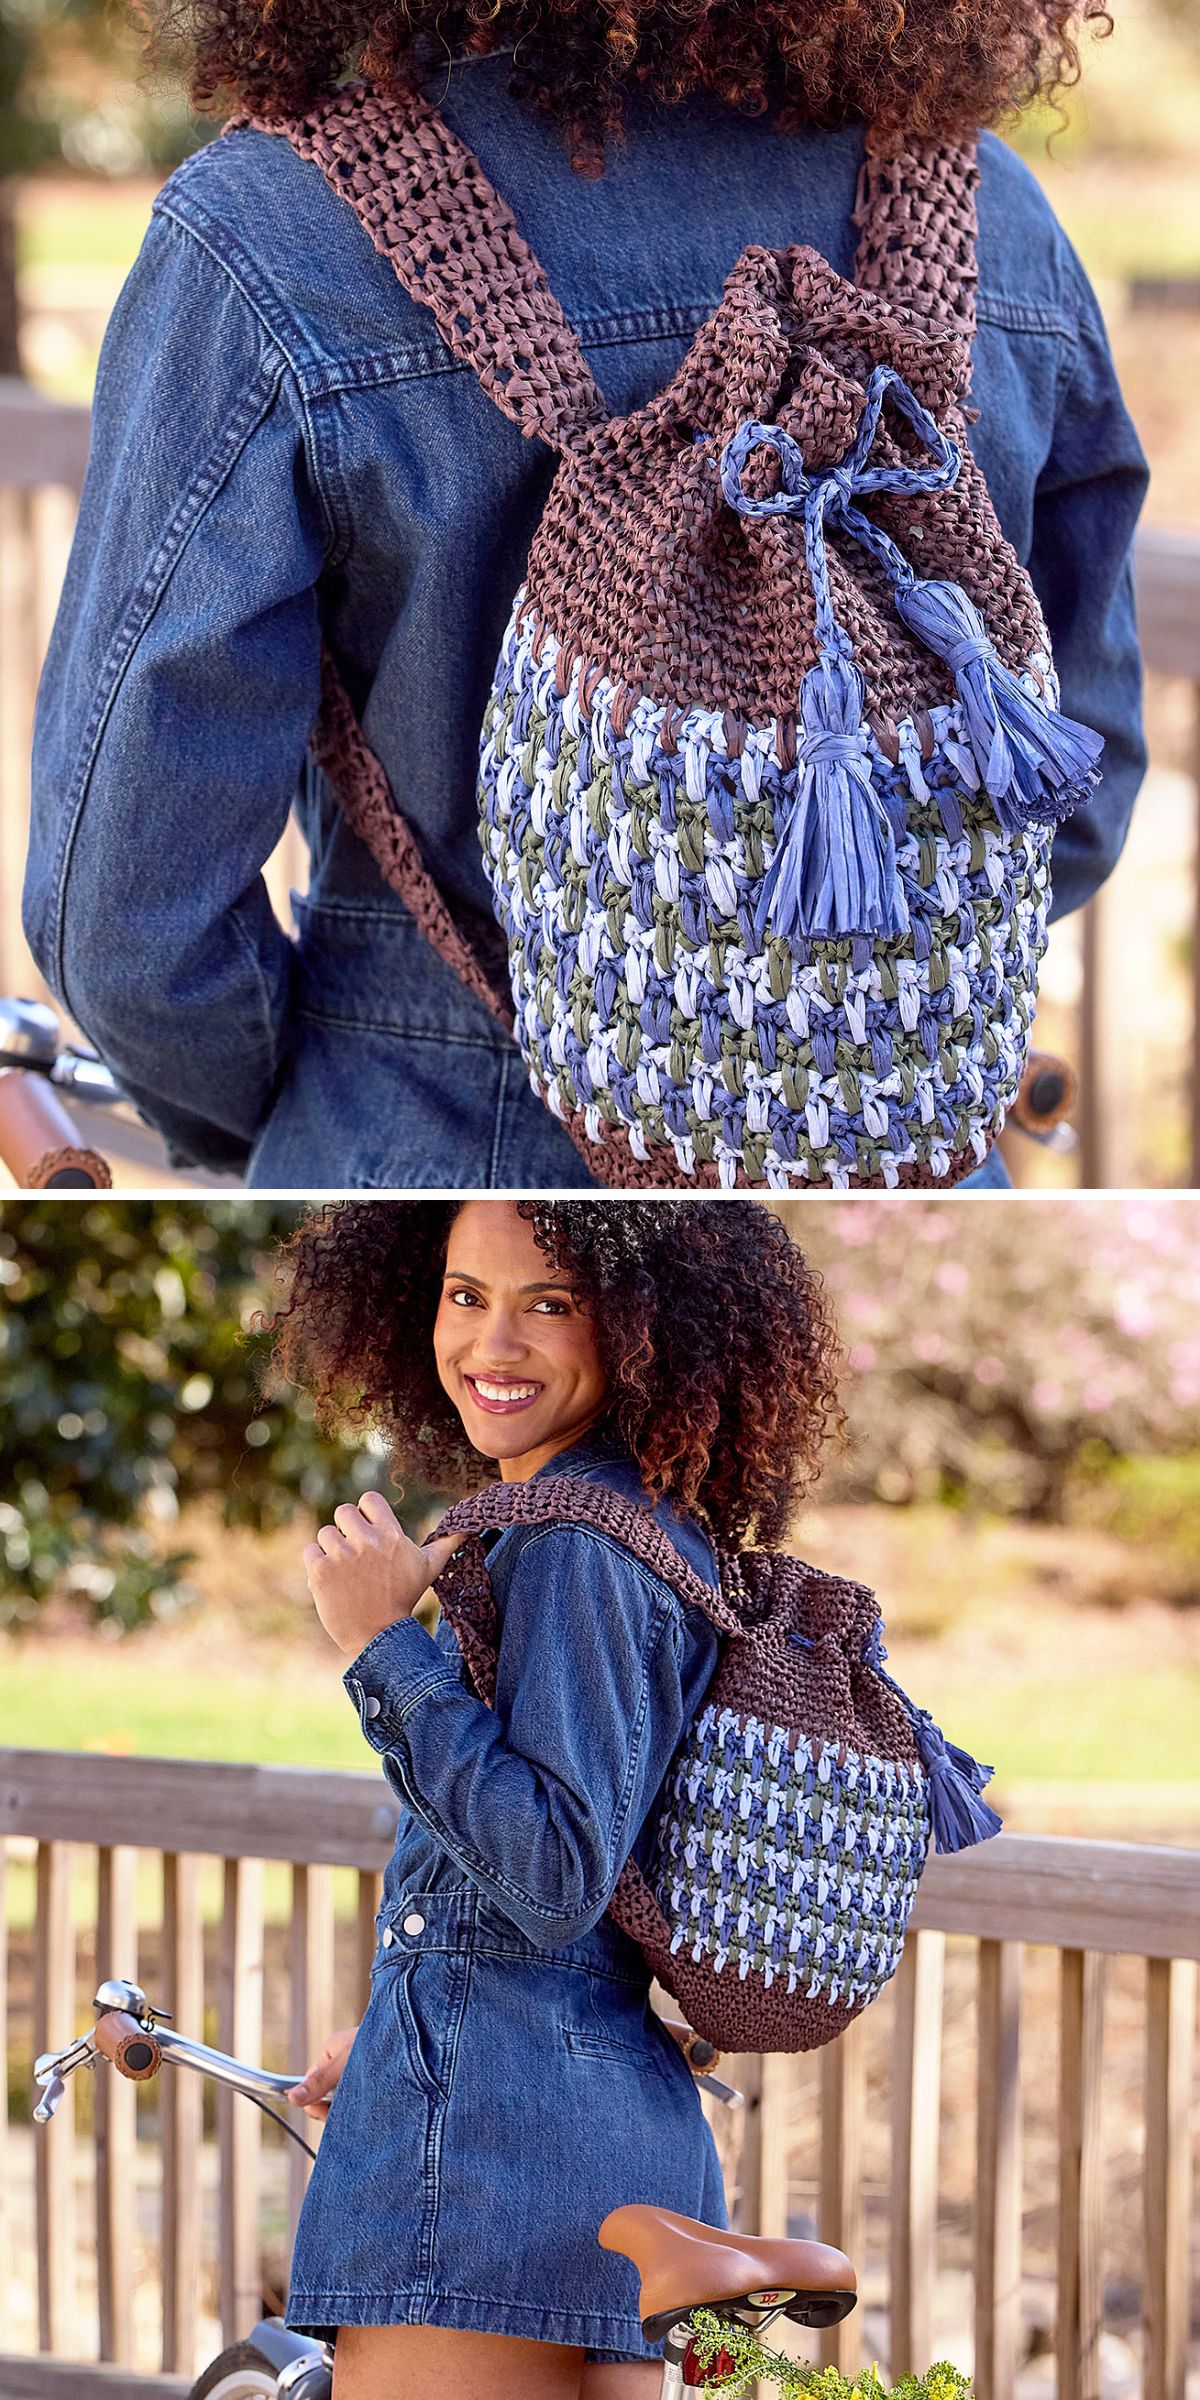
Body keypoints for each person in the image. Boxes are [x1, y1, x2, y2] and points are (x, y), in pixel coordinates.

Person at [23, 0, 1148, 1191]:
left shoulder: (274, 234)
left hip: (441, 1136)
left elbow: (128, 921)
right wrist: (837, 1004)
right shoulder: (991, 216)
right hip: (893, 1148)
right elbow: (1083, 778)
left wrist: (304, 1108)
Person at [266, 1195, 841, 2397]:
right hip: (618, 2131)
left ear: (639, 1331)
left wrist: (382, 1642)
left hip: (489, 2159)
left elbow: (553, 1872)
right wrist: (401, 2020)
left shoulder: (577, 1546)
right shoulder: (651, 1533)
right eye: (466, 1296)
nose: (492, 1345)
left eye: (551, 1305)